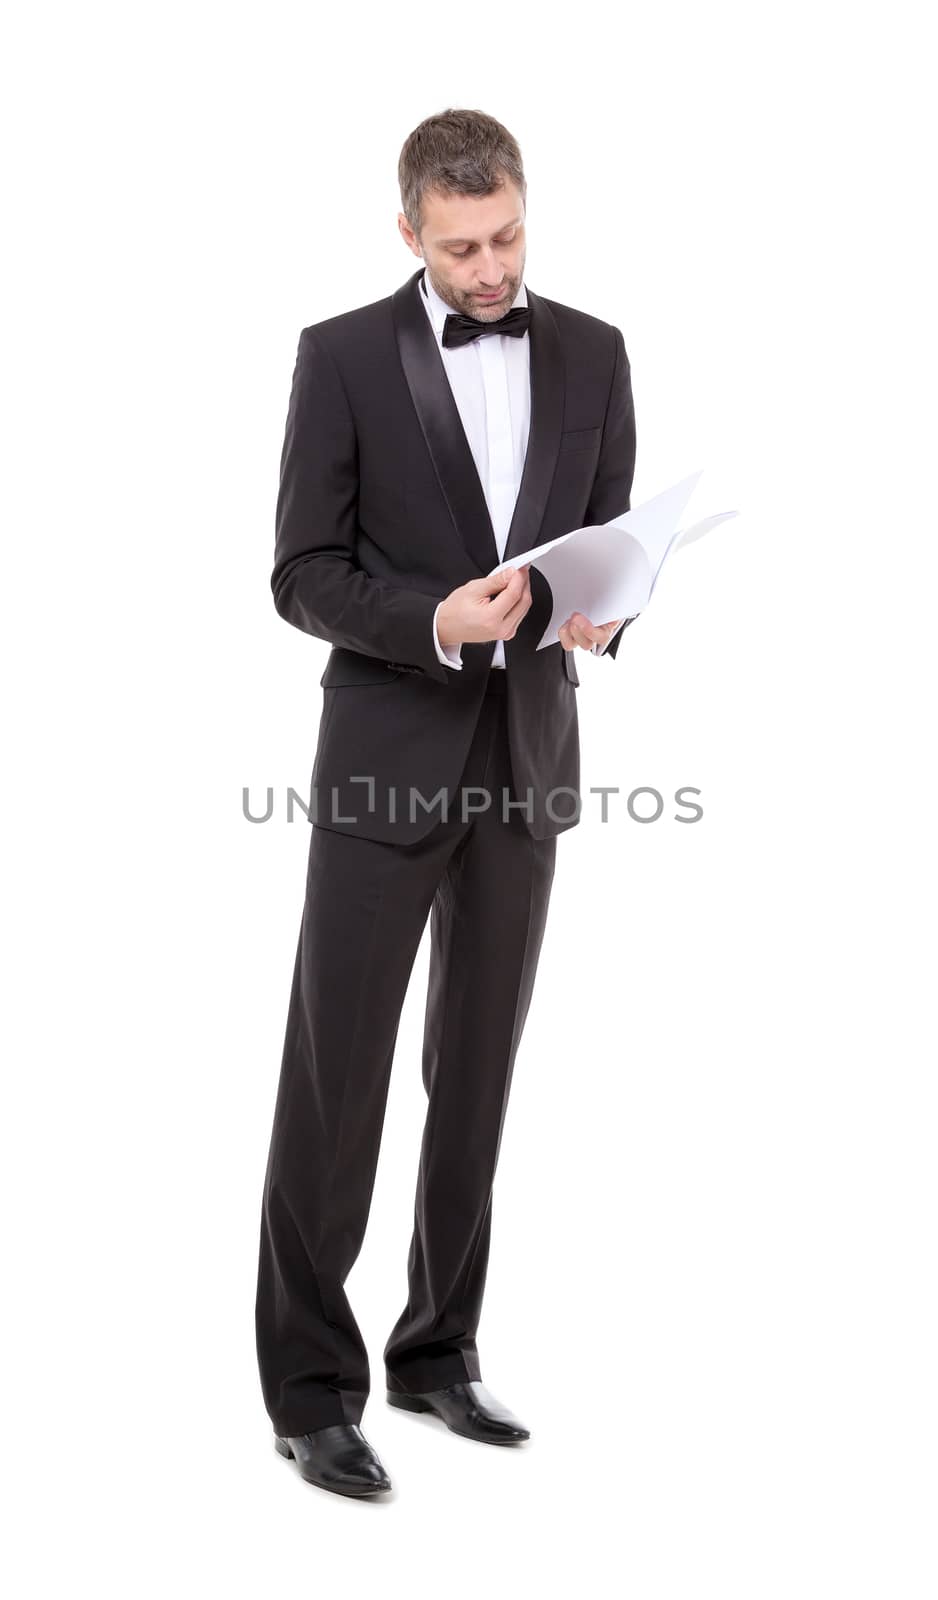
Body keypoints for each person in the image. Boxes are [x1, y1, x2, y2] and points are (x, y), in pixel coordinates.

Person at [255, 107, 637, 1499]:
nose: (491, 270)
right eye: (462, 246)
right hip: (380, 761)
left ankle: (436, 1354)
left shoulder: (593, 350)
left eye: (509, 237)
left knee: (472, 1079)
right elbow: (301, 572)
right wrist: (432, 620)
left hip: (525, 764)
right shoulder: (341, 356)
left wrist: (603, 614)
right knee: (335, 1083)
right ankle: (309, 1389)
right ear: (407, 231)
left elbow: (604, 539)